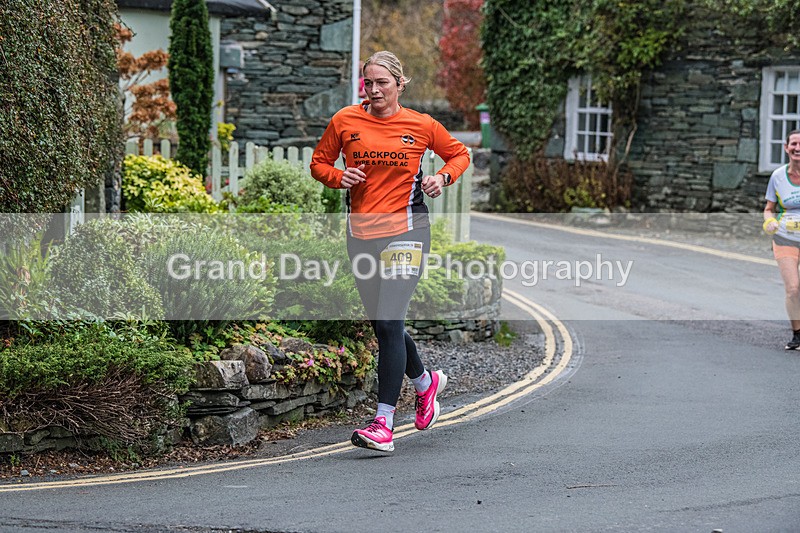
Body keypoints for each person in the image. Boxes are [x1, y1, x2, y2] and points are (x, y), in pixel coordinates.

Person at [310, 51, 471, 452]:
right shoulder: (346, 121)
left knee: (389, 317)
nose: (375, 89)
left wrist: (441, 177)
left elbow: (460, 154)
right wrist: (337, 176)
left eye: (383, 82)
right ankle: (425, 382)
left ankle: (384, 422)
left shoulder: (420, 124)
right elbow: (318, 163)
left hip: (407, 232)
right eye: (369, 82)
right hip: (362, 234)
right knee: (383, 325)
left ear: (400, 84)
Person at [763, 129, 800, 350]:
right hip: (785, 238)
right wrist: (770, 222)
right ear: (786, 148)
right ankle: (797, 333)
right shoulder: (777, 176)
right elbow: (769, 209)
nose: (798, 148)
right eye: (794, 143)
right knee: (793, 289)